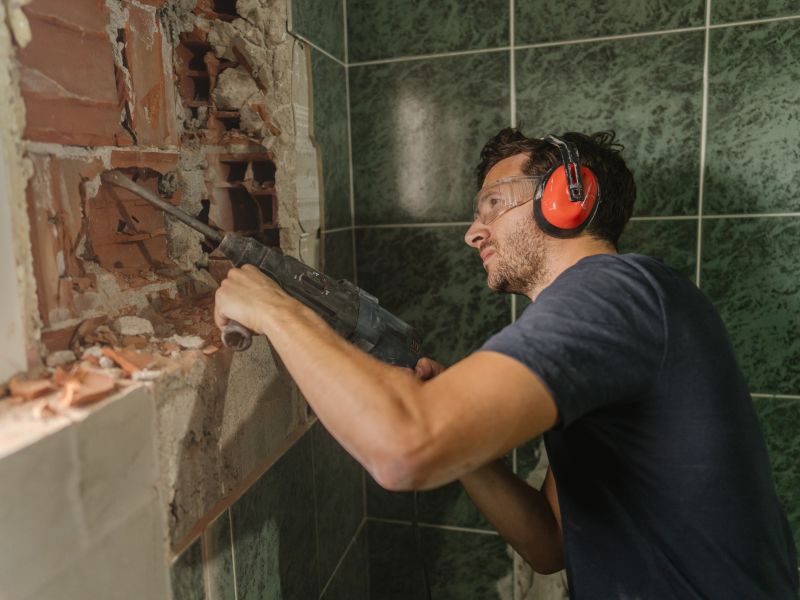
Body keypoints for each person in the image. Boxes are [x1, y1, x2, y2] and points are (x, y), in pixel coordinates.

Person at [214, 128, 799, 598]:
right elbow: (550, 546)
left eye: (493, 204)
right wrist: (466, 450)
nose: (474, 232)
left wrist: (277, 311)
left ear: (568, 198)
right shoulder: (622, 315)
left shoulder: (615, 290)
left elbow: (401, 451)